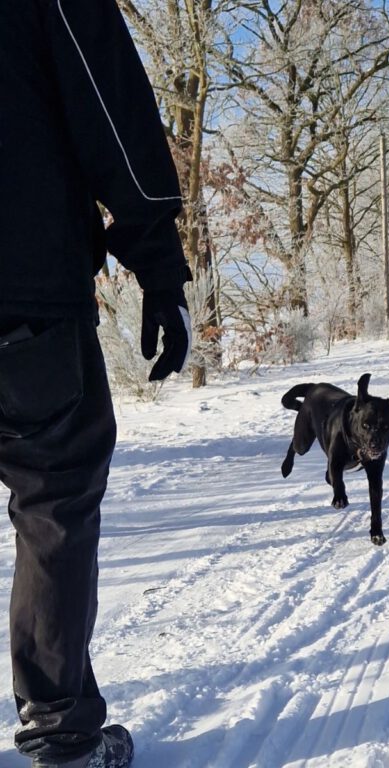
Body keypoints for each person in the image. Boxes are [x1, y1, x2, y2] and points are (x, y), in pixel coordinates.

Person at [0, 1, 192, 766]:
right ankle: (61, 737)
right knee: (53, 503)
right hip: (24, 299)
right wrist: (159, 264)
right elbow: (112, 111)